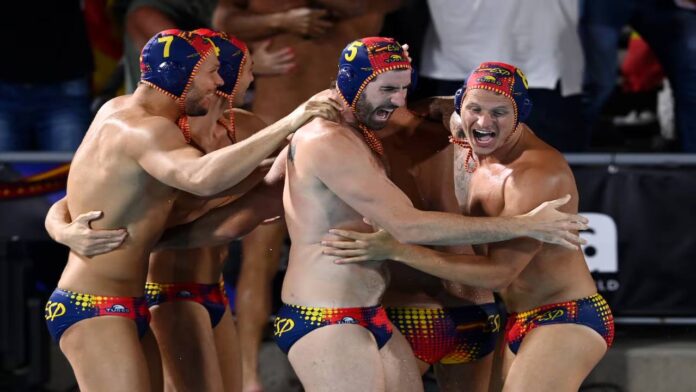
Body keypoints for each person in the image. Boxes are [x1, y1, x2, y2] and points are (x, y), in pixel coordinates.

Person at [43, 29, 340, 391]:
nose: (228, 79)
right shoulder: (148, 130)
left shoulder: (154, 121)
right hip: (107, 301)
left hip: (138, 298)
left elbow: (96, 191)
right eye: (217, 70)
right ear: (182, 75)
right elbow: (201, 180)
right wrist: (290, 122)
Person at [323, 61, 615, 391]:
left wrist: (398, 249)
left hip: (566, 315)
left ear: (521, 114)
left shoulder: (533, 175)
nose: (485, 121)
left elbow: (498, 274)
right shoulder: (469, 131)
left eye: (500, 112)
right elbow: (414, 110)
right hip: (519, 318)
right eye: (474, 109)